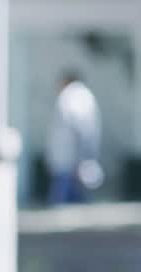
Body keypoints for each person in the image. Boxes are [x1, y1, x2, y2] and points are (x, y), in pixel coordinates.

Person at [46, 71, 102, 205]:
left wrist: (81, 152)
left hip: (71, 151)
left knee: (65, 187)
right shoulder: (83, 95)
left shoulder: (72, 96)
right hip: (74, 151)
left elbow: (77, 124)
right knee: (74, 188)